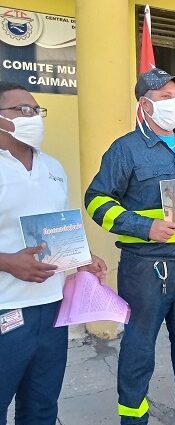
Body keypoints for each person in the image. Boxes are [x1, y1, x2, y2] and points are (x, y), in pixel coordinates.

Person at [85, 68, 175, 425]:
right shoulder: (125, 150)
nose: (174, 103)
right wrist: (143, 226)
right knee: (139, 343)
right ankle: (133, 415)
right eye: (166, 97)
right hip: (146, 265)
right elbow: (96, 199)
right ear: (145, 106)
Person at [0, 81, 107, 425]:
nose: (34, 117)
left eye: (36, 110)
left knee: (42, 403)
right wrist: (7, 262)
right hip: (6, 308)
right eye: (23, 110)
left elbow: (58, 228)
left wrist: (83, 257)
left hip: (52, 307)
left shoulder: (53, 168)